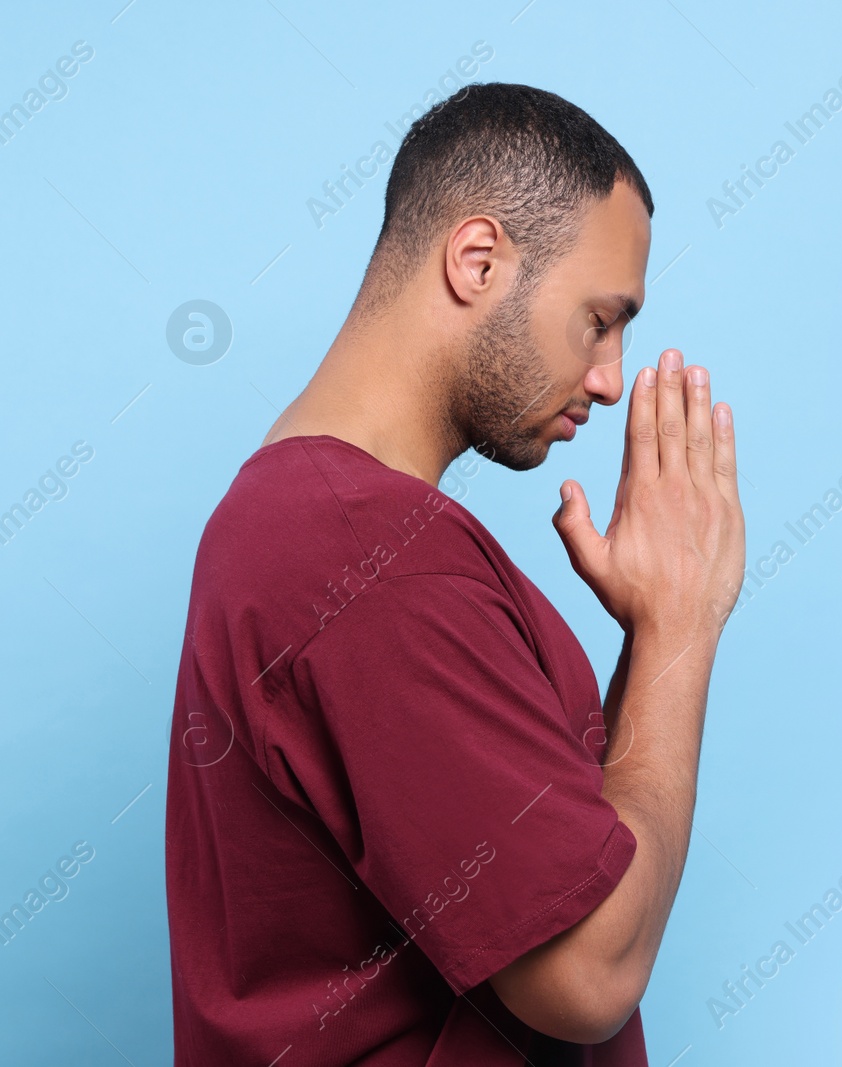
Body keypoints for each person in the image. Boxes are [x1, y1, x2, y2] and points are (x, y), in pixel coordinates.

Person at [164, 82, 745, 1065]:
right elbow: (585, 970)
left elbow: (544, 863)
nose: (609, 374)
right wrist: (679, 630)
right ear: (477, 261)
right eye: (598, 319)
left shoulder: (297, 515)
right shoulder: (365, 555)